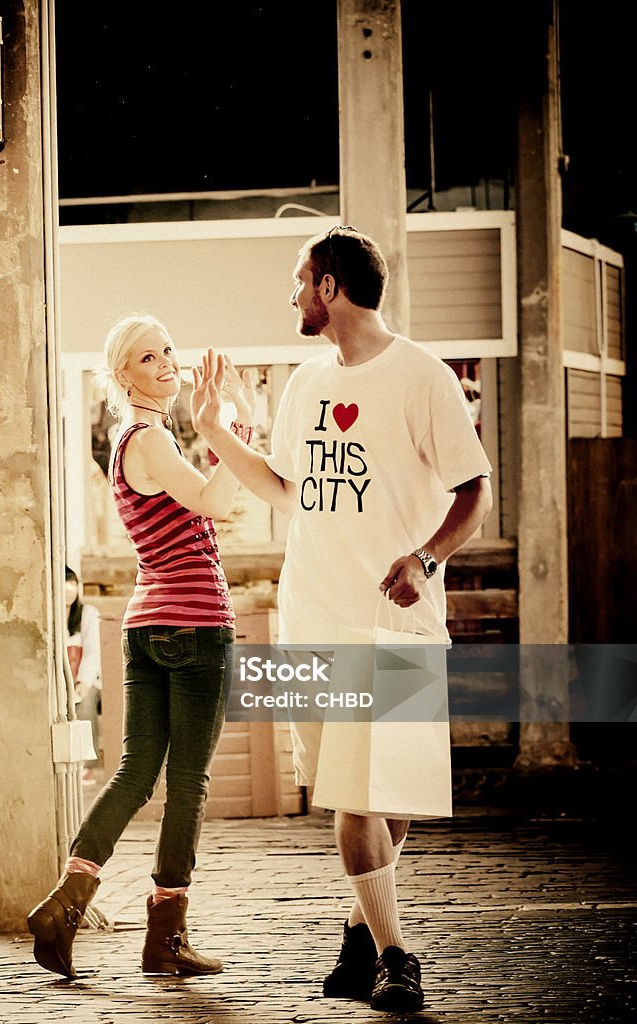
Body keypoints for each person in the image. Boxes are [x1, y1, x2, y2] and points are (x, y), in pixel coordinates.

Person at [191, 226, 492, 1012]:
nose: (291, 296)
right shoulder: (304, 384)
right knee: (364, 796)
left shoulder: (423, 376)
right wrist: (214, 430)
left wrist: (424, 558)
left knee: (369, 798)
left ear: (328, 287)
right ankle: (366, 936)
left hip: (394, 623)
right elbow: (286, 488)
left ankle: (395, 955)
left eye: (298, 281)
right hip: (309, 616)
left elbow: (473, 492)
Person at [27, 314, 256, 979]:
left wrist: (214, 424)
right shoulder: (150, 439)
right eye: (148, 357)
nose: (166, 363)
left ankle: (67, 903)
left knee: (135, 772)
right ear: (122, 375)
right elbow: (217, 501)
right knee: (187, 780)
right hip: (193, 624)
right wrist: (234, 421)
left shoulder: (134, 441)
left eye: (169, 352)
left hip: (146, 623)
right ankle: (166, 936)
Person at [64, 566, 101, 779]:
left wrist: (84, 683)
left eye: (73, 583)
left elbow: (93, 651)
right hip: (61, 681)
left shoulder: (88, 613)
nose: (69, 589)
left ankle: (87, 764)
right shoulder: (51, 615)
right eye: (65, 583)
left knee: (85, 705)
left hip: (85, 680)